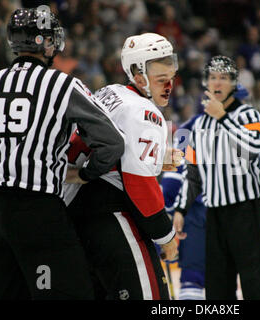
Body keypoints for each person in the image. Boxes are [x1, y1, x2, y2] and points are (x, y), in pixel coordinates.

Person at [0, 8, 125, 299]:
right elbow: (113, 142)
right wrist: (87, 173)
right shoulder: (63, 85)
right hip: (38, 211)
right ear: (47, 42)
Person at [64, 33, 181, 300]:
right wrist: (165, 235)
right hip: (114, 218)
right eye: (160, 75)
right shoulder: (145, 111)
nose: (169, 84)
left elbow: (118, 149)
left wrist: (159, 154)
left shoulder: (109, 93)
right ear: (139, 76)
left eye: (170, 74)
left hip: (79, 217)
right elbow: (138, 182)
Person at [173, 55, 260, 300]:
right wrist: (180, 209)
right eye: (212, 78)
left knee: (256, 284)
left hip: (246, 211)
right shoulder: (196, 126)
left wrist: (223, 118)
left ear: (234, 83)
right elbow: (193, 174)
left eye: (223, 78)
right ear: (205, 83)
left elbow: (252, 149)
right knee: (218, 288)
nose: (217, 83)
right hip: (214, 214)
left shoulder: (250, 115)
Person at [161, 116, 260, 300]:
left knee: (194, 279)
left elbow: (176, 175)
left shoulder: (190, 126)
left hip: (199, 213)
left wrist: (166, 212)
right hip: (238, 213)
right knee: (245, 279)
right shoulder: (247, 124)